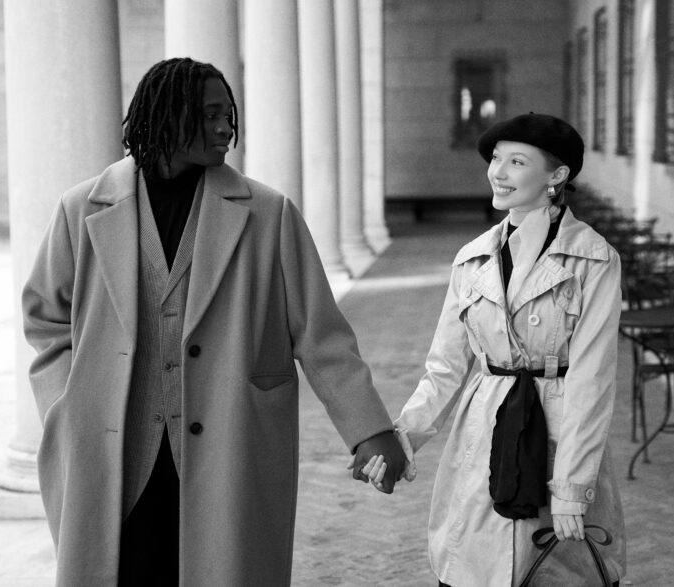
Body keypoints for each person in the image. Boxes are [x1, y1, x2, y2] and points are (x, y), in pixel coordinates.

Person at [22, 57, 406, 587]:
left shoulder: (268, 213)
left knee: (221, 567)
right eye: (207, 115)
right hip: (112, 443)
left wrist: (368, 430)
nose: (225, 128)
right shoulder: (80, 211)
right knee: (122, 567)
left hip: (229, 436)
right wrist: (67, 405)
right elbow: (45, 320)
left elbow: (320, 334)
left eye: (228, 114)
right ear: (163, 116)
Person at [366, 113, 626, 586]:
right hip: (482, 432)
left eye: (517, 161)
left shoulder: (594, 259)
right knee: (471, 568)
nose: (497, 172)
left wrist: (571, 489)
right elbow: (444, 367)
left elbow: (593, 379)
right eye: (496, 159)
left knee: (550, 572)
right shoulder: (472, 257)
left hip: (558, 432)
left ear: (557, 175)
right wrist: (403, 439)